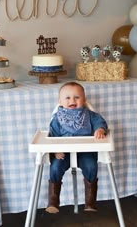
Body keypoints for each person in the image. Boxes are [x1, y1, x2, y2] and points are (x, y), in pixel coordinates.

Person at [46, 81, 108, 214]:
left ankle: (90, 202)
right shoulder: (57, 118)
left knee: (91, 167)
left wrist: (100, 130)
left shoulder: (90, 115)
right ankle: (53, 201)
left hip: (85, 151)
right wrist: (55, 150)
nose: (72, 100)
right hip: (64, 152)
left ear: (84, 100)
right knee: (55, 167)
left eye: (77, 97)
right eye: (67, 98)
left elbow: (100, 122)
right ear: (60, 101)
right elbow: (52, 135)